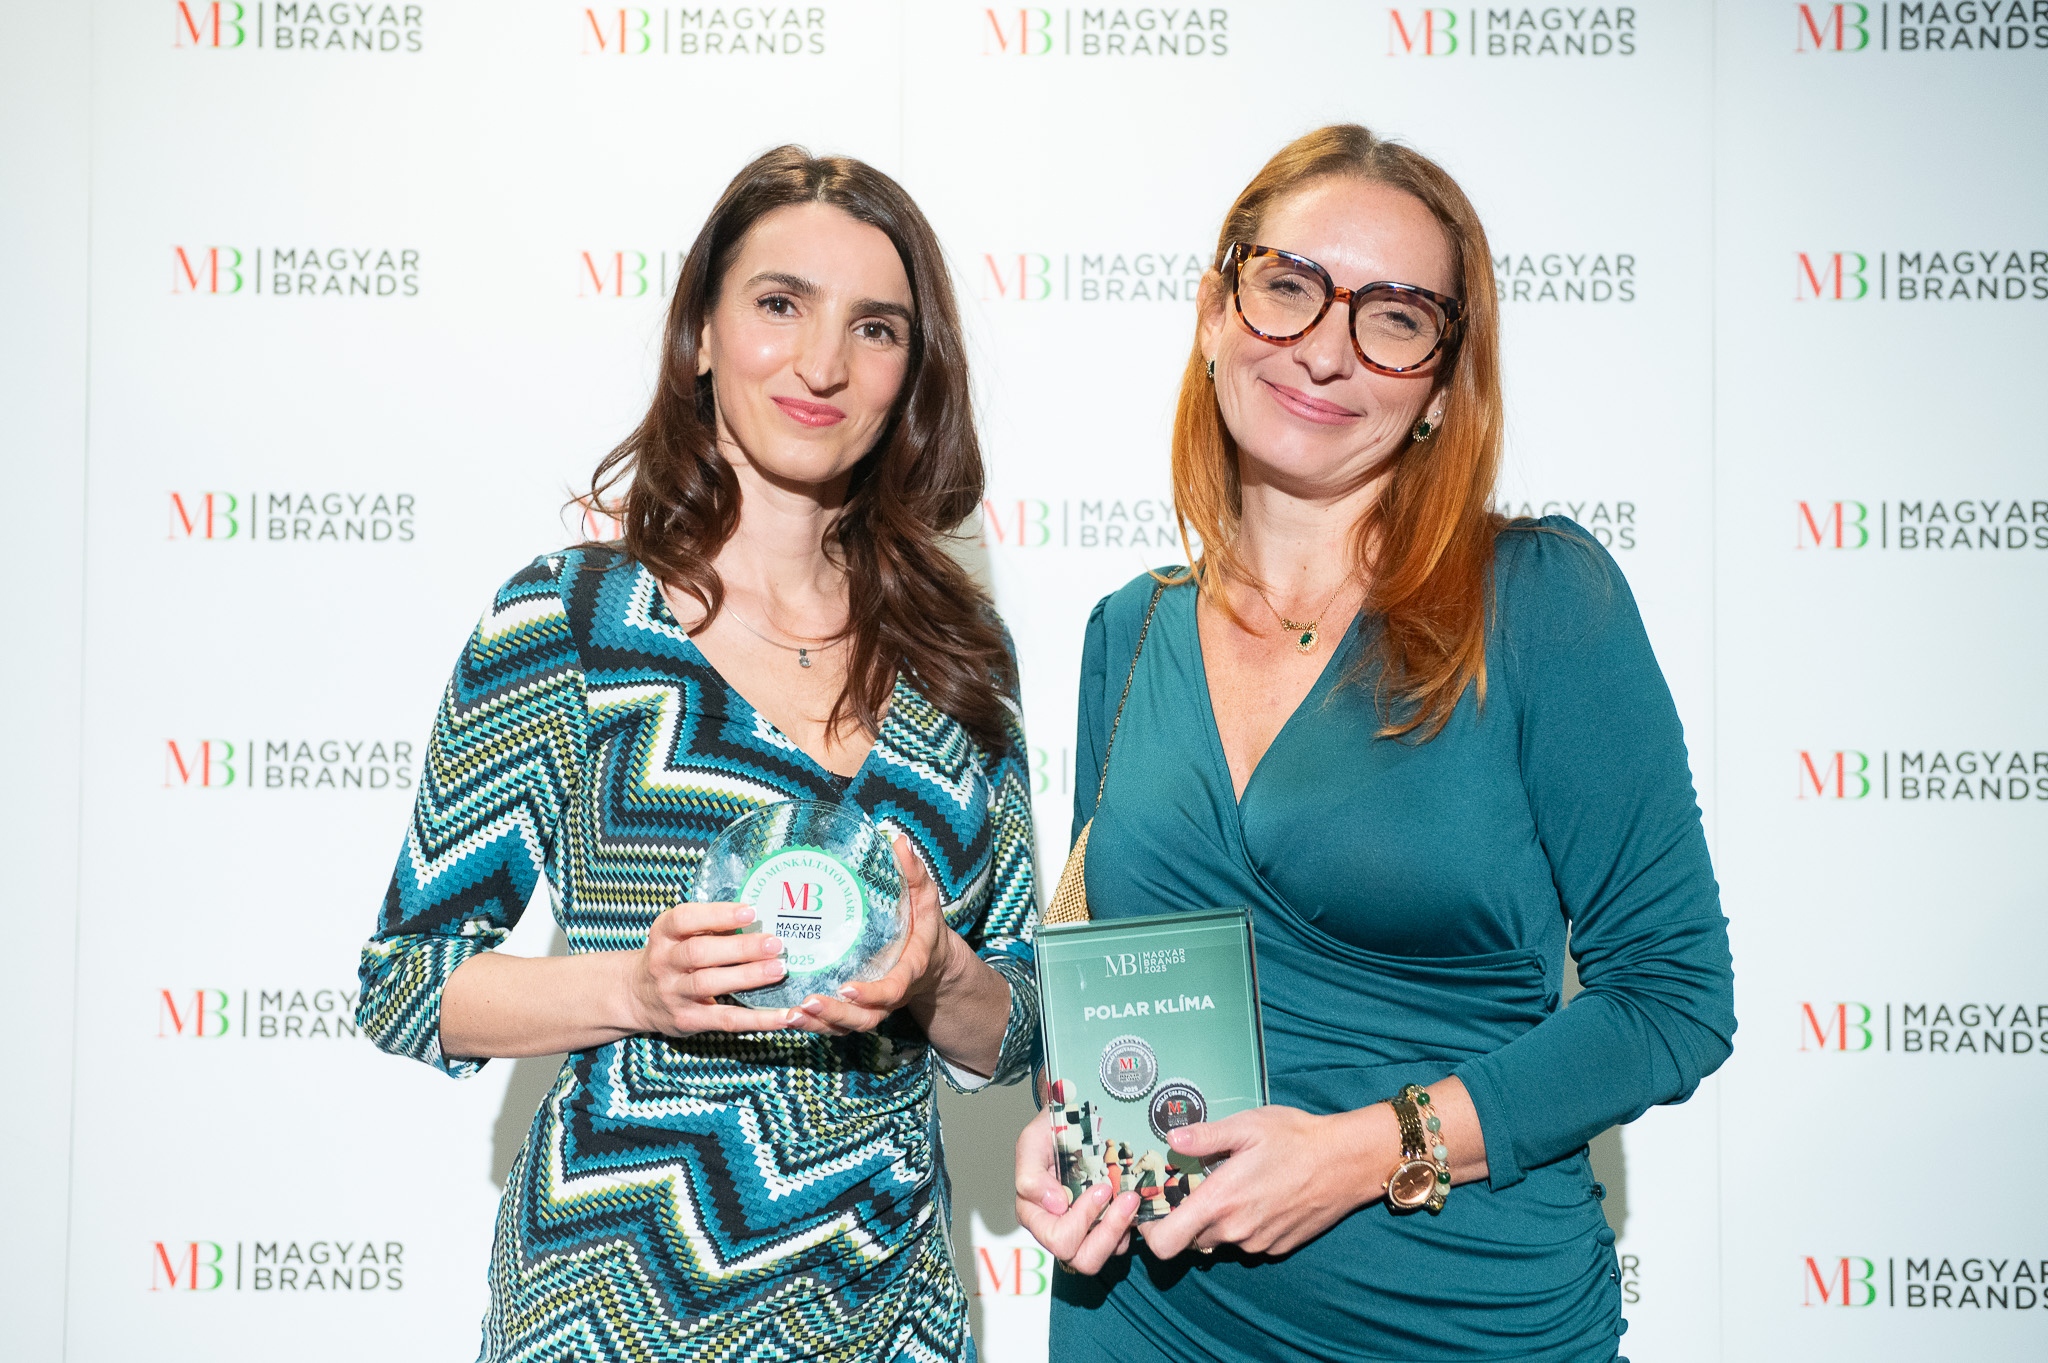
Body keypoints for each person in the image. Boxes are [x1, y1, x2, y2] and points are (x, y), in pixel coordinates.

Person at [1013, 124, 1736, 1362]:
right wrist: (1066, 1127)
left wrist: (1363, 1150)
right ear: (1214, 311)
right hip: (1145, 1319)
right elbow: (1117, 986)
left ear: (1442, 384)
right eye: (1288, 286)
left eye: (1393, 318)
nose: (1324, 348)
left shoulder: (1538, 602)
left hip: (1455, 1321)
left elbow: (1671, 1000)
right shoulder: (1126, 633)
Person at [357, 146, 1040, 1363]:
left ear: (912, 372)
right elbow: (409, 985)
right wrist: (634, 989)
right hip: (610, 1311)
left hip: (889, 1319)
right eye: (780, 303)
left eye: (874, 328)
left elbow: (1019, 1028)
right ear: (701, 337)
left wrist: (939, 972)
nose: (822, 363)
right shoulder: (572, 621)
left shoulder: (959, 656)